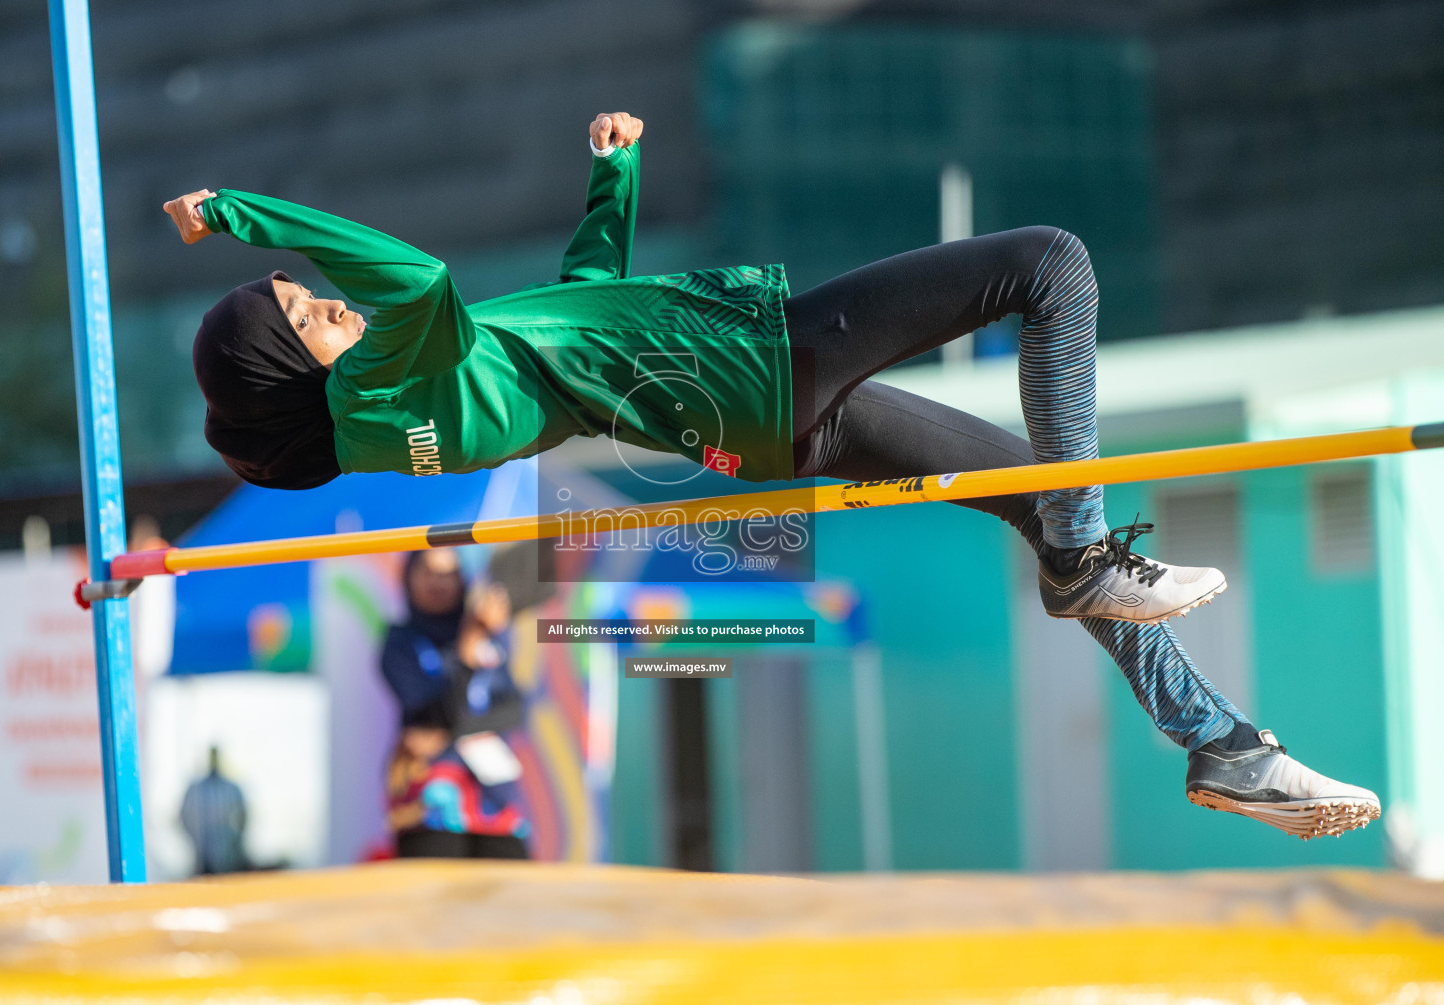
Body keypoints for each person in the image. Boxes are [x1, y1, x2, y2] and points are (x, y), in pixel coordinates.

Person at [165, 112, 1379, 840]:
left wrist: (613, 181)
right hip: (759, 369)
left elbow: (585, 309)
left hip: (756, 414)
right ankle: (1084, 565)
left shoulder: (420, 384)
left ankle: (1220, 744)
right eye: (308, 312)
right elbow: (412, 272)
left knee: (1045, 487)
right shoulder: (391, 384)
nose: (330, 302)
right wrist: (239, 211)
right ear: (299, 368)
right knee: (1050, 268)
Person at [381, 549, 531, 859]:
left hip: (493, 796)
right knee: (435, 896)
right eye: (429, 572)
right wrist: (466, 654)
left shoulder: (491, 635)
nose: (439, 582)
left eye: (449, 573)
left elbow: (515, 711)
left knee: (511, 892)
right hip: (431, 796)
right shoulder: (401, 644)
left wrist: (443, 734)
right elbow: (433, 710)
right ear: (409, 578)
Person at [179, 745, 249, 875]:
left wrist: (234, 842)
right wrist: (194, 843)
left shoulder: (231, 788)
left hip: (229, 860)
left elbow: (243, 817)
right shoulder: (196, 789)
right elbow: (183, 816)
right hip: (202, 860)